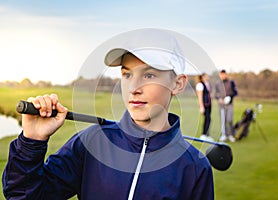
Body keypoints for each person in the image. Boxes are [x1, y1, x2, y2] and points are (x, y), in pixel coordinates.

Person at [2, 29, 214, 199]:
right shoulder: (91, 142)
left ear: (177, 84)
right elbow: (22, 195)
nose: (134, 88)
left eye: (149, 74)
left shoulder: (195, 167)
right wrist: (31, 141)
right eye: (127, 74)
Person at [215, 69, 238, 142]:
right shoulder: (217, 83)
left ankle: (231, 135)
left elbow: (235, 92)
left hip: (229, 105)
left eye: (223, 74)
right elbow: (216, 94)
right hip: (221, 105)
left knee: (229, 120)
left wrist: (230, 97)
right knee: (223, 120)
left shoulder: (231, 82)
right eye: (221, 75)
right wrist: (219, 98)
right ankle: (224, 135)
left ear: (226, 74)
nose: (222, 76)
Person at [195, 73, 214, 142]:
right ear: (202, 77)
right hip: (204, 105)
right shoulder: (200, 85)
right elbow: (200, 96)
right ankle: (203, 135)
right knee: (207, 119)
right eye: (206, 76)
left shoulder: (207, 84)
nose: (207, 77)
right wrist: (201, 106)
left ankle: (207, 135)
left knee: (208, 119)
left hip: (209, 105)